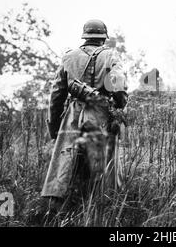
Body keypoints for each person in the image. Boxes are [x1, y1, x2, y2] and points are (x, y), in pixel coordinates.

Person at [41, 19, 128, 212]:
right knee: (104, 170)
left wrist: (54, 128)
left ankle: (56, 213)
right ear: (103, 38)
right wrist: (119, 103)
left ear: (85, 36)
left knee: (62, 168)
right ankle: (99, 211)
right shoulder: (111, 55)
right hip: (100, 116)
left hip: (72, 117)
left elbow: (56, 95)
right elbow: (119, 83)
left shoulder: (69, 57)